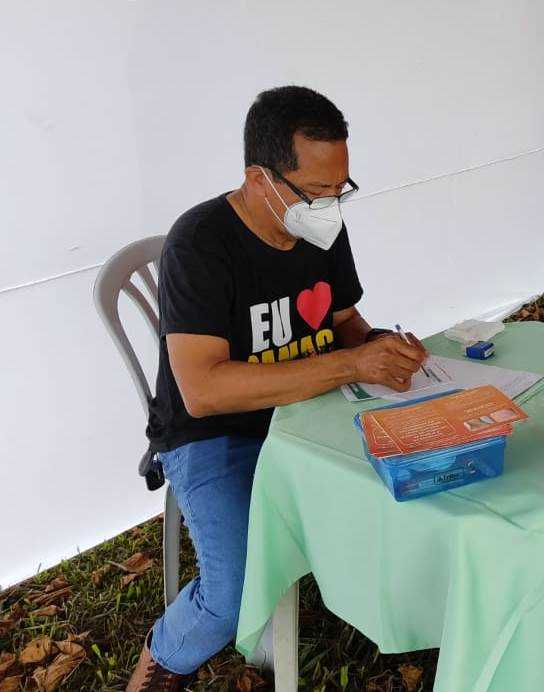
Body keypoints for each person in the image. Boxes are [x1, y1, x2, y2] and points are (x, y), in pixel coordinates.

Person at [127, 86, 428, 690]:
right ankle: (159, 663)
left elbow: (345, 322)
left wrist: (381, 347)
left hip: (308, 410)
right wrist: (352, 365)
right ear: (258, 179)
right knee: (232, 593)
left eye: (340, 189)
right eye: (315, 191)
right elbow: (204, 391)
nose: (329, 206)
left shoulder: (321, 228)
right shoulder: (200, 243)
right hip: (213, 435)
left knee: (423, 475)